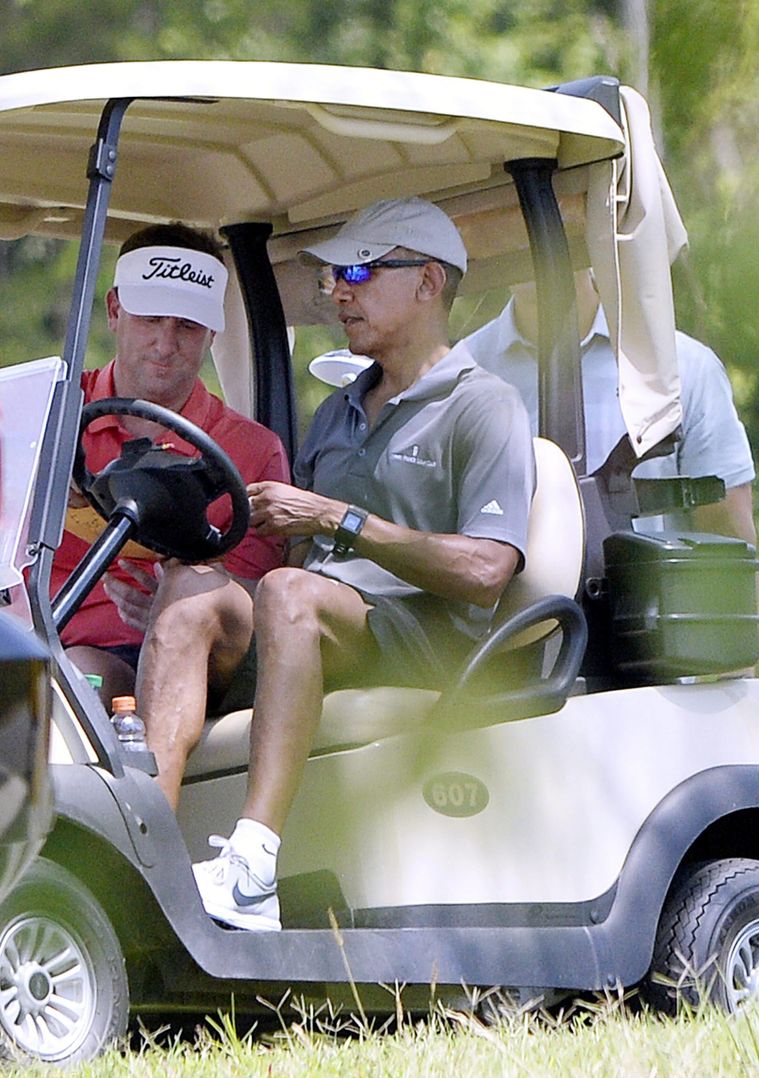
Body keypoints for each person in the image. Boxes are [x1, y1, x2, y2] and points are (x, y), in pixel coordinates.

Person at [138, 197, 535, 931]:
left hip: (418, 637)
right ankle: (148, 857)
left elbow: (487, 571)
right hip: (317, 627)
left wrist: (338, 520)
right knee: (194, 588)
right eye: (333, 279)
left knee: (289, 592)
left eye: (359, 271)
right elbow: (294, 556)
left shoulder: (485, 406)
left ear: (429, 284)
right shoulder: (336, 412)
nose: (339, 291)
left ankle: (253, 868)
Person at [53, 223, 290, 703]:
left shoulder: (253, 450)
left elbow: (255, 606)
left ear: (212, 331)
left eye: (186, 326)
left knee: (79, 680)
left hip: (162, 663)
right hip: (32, 637)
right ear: (115, 310)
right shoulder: (49, 412)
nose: (165, 345)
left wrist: (180, 604)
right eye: (151, 319)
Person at [464, 270, 757, 542]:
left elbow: (728, 536)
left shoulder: (683, 367)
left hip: (651, 595)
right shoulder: (460, 373)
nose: (525, 235)